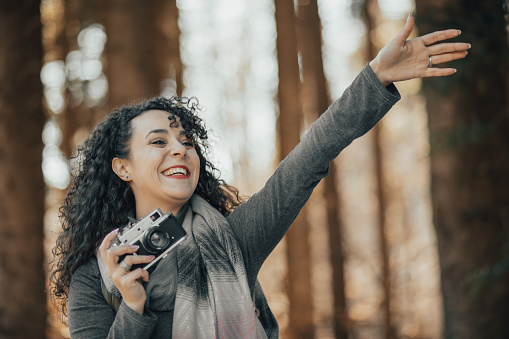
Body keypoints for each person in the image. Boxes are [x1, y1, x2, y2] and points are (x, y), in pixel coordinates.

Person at [49, 15, 470, 338]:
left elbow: (308, 159)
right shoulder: (94, 277)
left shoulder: (233, 240)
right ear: (122, 167)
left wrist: (375, 78)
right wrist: (134, 307)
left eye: (186, 140)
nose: (180, 148)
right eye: (158, 142)